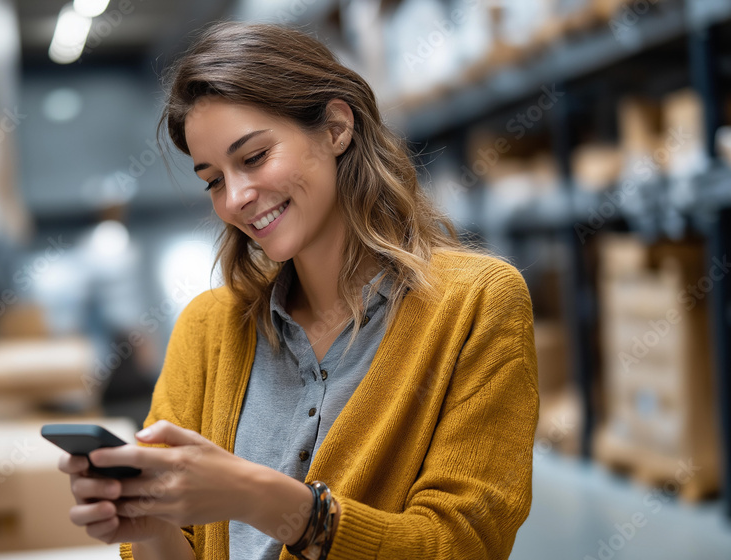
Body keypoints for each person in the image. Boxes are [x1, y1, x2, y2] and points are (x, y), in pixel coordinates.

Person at [58, 21, 539, 560]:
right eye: (213, 179)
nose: (236, 197)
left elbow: (462, 546)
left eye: (255, 157)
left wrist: (257, 496)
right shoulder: (208, 326)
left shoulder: (476, 303)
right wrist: (151, 526)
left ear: (335, 127)